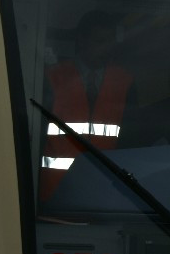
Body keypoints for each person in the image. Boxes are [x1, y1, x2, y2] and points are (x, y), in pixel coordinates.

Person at [39, 11, 137, 201]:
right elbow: (35, 134)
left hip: (107, 189)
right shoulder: (52, 77)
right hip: (55, 189)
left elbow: (133, 139)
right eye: (100, 40)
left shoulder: (126, 82)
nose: (106, 48)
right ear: (81, 40)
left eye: (110, 42)